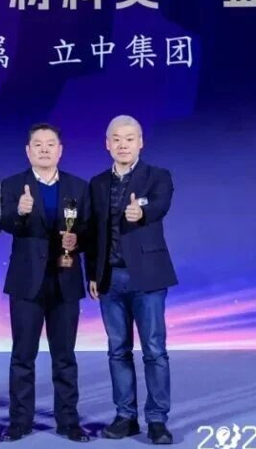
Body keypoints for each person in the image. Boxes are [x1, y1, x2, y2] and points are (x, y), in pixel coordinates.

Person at [0, 123, 92, 443]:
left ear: (60, 150)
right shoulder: (13, 185)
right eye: (37, 144)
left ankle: (68, 421)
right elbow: (4, 223)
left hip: (66, 280)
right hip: (27, 282)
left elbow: (89, 231)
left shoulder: (78, 187)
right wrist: (20, 212)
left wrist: (78, 240)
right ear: (28, 151)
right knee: (23, 356)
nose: (44, 149)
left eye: (50, 144)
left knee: (64, 357)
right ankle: (20, 421)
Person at [88, 115, 177, 445]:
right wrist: (93, 274)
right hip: (110, 279)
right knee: (117, 350)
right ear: (107, 144)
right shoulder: (97, 183)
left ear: (140, 142)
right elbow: (92, 232)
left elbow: (160, 205)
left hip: (147, 279)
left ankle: (157, 420)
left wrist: (142, 212)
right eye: (116, 139)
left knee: (154, 350)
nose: (123, 144)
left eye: (129, 138)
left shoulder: (158, 176)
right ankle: (126, 416)